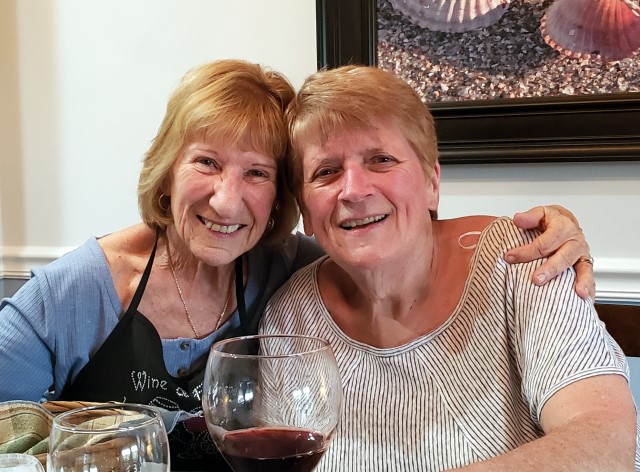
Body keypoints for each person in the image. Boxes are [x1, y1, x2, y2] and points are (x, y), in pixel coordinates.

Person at [0, 59, 594, 470]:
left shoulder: (286, 274)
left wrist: (556, 226)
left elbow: (381, 238)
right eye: (206, 162)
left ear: (283, 202)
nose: (227, 200)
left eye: (257, 173)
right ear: (166, 169)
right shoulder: (79, 289)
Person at [261, 65, 639, 471]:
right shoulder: (289, 316)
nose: (353, 190)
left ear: (431, 183)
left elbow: (605, 442)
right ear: (305, 212)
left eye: (381, 160)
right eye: (326, 172)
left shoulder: (521, 259)